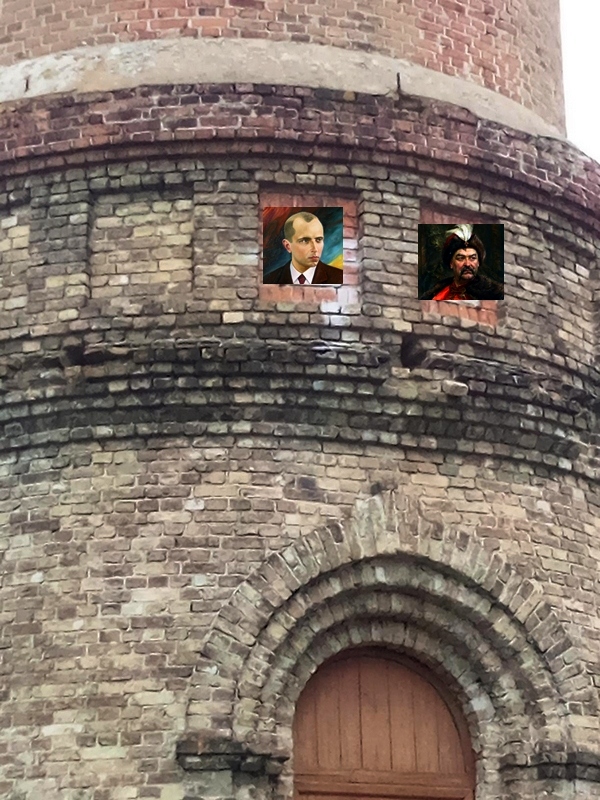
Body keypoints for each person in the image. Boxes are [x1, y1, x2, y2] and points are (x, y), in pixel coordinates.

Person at [420, 224, 503, 300]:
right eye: (460, 258)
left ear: (478, 262)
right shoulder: (437, 293)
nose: (467, 264)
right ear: (451, 263)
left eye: (472, 258)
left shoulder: (495, 293)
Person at [263, 212, 344, 285]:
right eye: (305, 241)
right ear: (288, 246)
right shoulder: (269, 281)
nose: (315, 249)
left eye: (318, 240)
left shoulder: (340, 279)